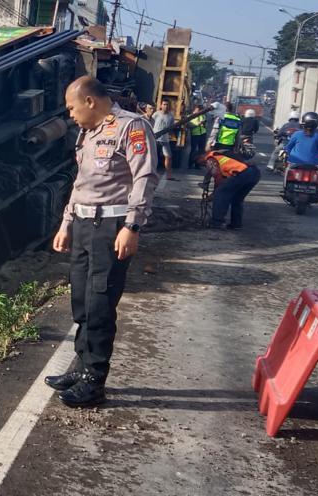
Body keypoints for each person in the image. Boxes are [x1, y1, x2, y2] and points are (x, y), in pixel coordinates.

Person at [48, 76, 159, 407]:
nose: (70, 115)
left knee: (99, 304)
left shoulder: (132, 127)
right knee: (81, 300)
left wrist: (132, 226)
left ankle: (94, 381)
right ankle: (81, 367)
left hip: (110, 226)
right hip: (83, 224)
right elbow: (81, 183)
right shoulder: (88, 133)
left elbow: (144, 177)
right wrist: (67, 223)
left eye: (71, 107)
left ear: (90, 101)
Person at [200, 149, 261, 229]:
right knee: (237, 198)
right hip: (254, 173)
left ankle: (217, 222)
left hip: (243, 173)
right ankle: (236, 224)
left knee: (221, 194)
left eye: (200, 162)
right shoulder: (221, 154)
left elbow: (218, 178)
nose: (203, 165)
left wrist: (214, 194)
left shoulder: (210, 158)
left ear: (202, 157)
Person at [151, 99, 176, 179]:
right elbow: (150, 124)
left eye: (167, 104)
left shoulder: (171, 116)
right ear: (161, 105)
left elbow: (171, 128)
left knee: (168, 157)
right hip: (155, 138)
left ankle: (168, 175)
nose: (165, 106)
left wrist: (173, 136)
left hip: (165, 139)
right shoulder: (156, 114)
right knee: (153, 156)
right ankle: (151, 173)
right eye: (164, 104)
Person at [186, 103, 208, 169]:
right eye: (198, 110)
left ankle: (197, 164)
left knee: (201, 150)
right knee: (193, 150)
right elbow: (189, 126)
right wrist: (197, 124)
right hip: (195, 134)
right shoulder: (190, 116)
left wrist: (204, 124)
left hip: (203, 134)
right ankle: (190, 164)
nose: (199, 111)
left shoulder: (203, 116)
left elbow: (205, 124)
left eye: (200, 110)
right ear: (194, 110)